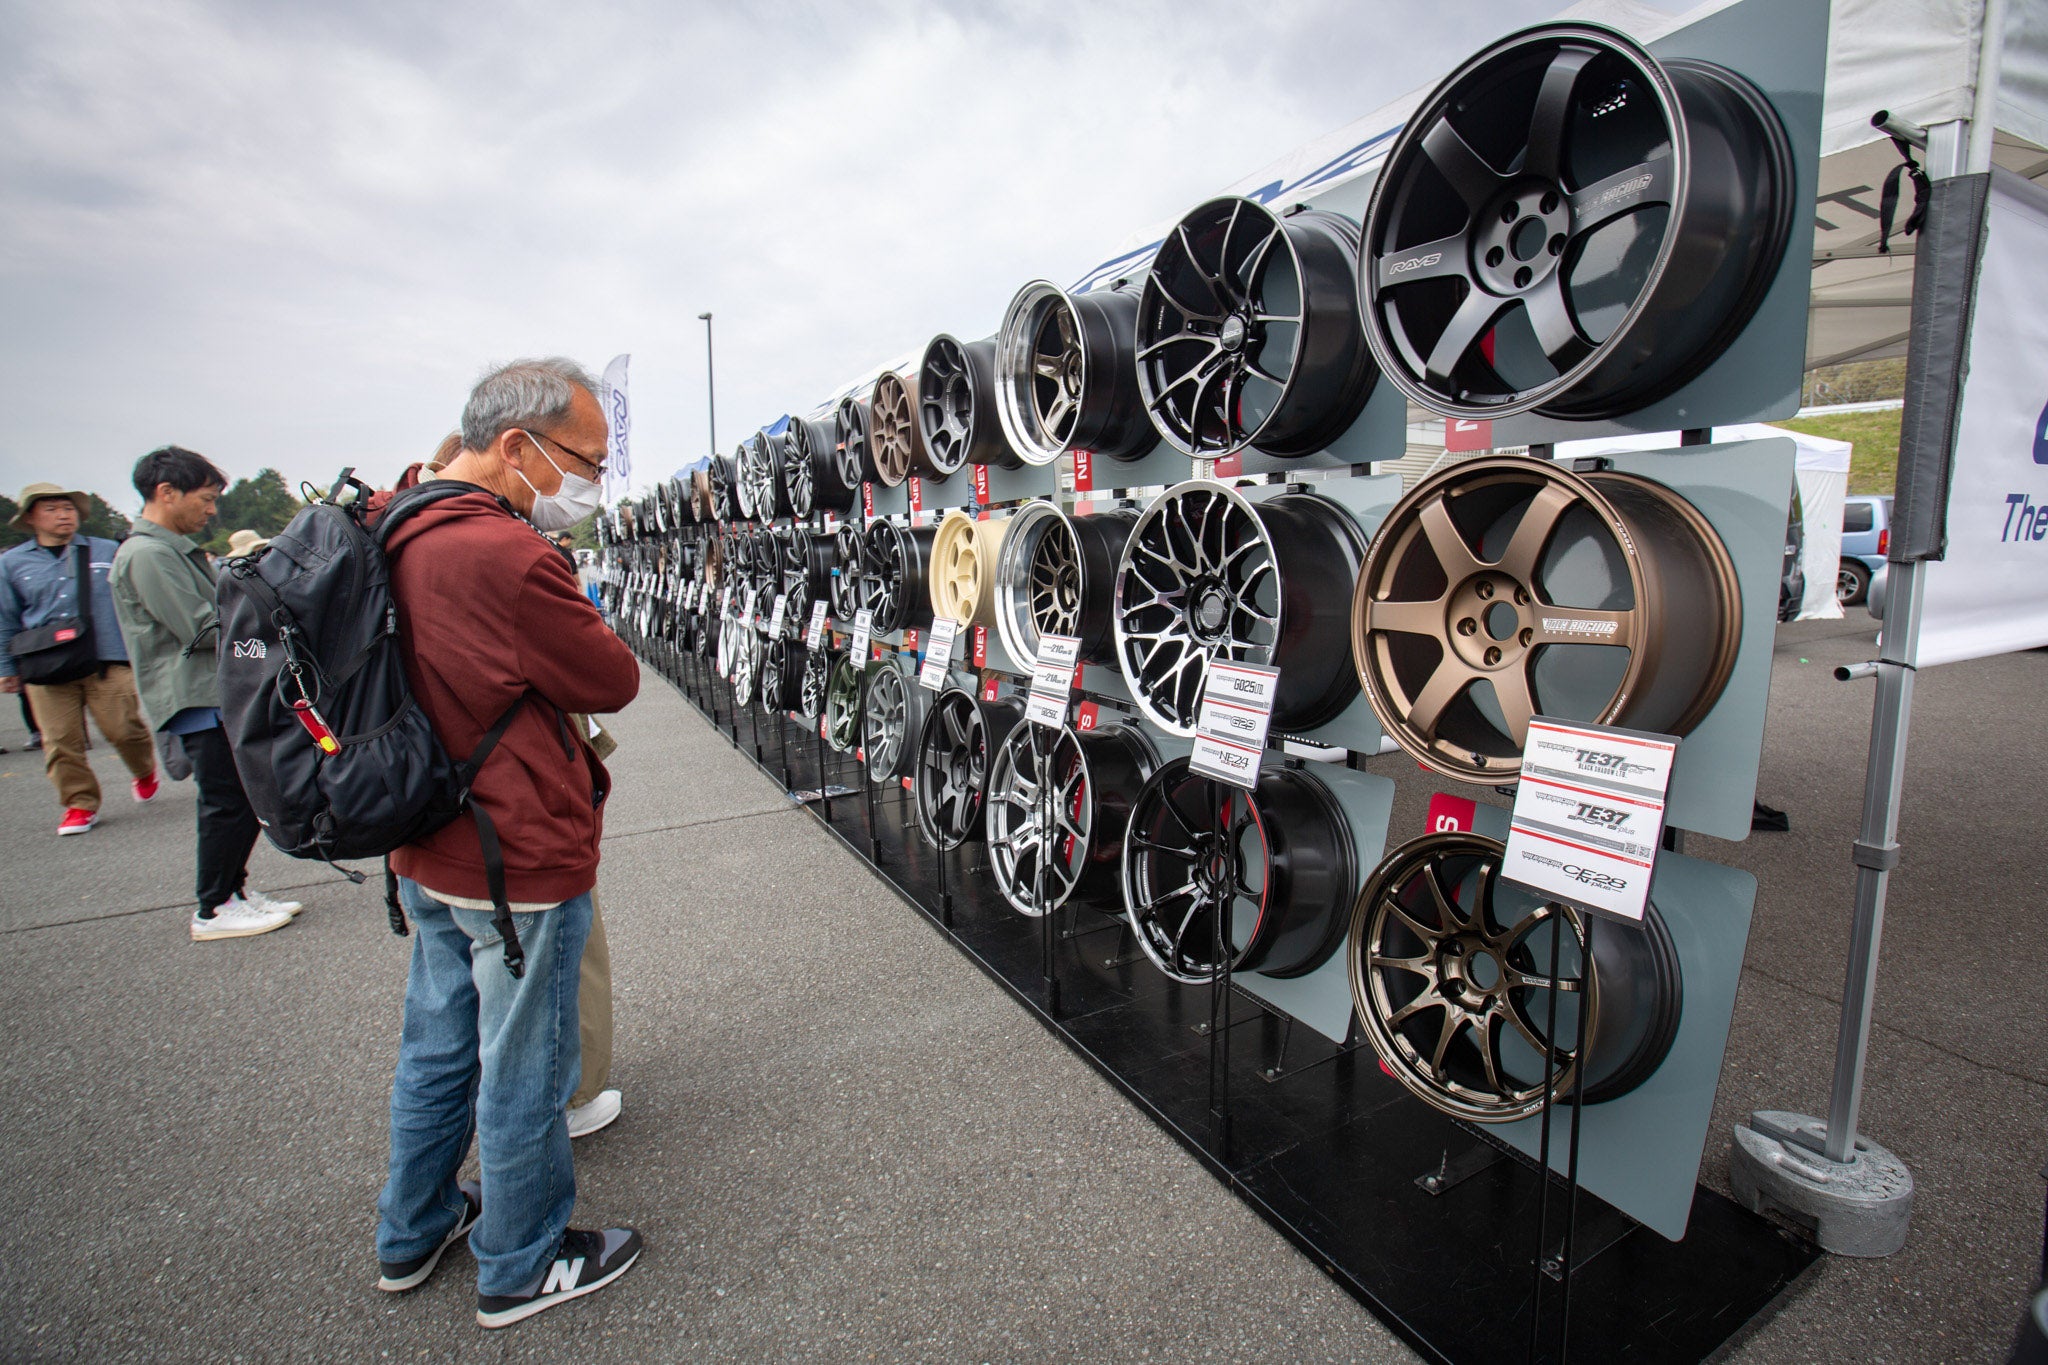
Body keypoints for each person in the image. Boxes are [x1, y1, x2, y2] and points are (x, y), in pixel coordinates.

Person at [373, 358, 640, 1329]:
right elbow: (610, 678)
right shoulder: (507, 553)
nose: (593, 482)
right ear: (517, 445)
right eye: (587, 460)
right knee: (527, 1061)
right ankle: (523, 1261)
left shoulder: (396, 520)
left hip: (424, 839)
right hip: (513, 854)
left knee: (438, 1046)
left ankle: (413, 1228)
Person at [109, 448, 300, 940]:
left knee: (241, 797)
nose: (211, 511)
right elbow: (201, 626)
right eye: (206, 498)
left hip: (210, 694)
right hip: (197, 698)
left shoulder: (168, 549)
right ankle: (213, 907)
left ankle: (233, 892)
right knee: (226, 801)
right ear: (166, 492)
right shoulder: (149, 554)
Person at [0, 482, 160, 834]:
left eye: (68, 508)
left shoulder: (108, 550)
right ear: (30, 518)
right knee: (59, 740)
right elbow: (6, 618)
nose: (63, 515)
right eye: (52, 509)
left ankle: (144, 768)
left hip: (107, 657)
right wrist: (6, 668)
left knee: (123, 728)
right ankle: (79, 803)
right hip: (44, 663)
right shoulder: (11, 562)